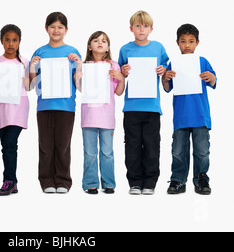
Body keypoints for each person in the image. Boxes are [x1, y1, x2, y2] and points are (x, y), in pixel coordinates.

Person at [29, 12, 81, 194]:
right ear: (46, 29)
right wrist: (32, 68)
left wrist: (80, 65)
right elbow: (31, 86)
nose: (56, 30)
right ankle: (46, 181)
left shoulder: (72, 53)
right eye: (52, 27)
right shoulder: (39, 52)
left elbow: (80, 85)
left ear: (66, 30)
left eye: (60, 27)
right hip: (44, 106)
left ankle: (63, 181)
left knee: (63, 145)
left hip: (66, 106)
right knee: (45, 145)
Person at [118, 10, 169, 195]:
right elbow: (121, 74)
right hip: (131, 106)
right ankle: (135, 182)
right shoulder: (125, 49)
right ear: (131, 28)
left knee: (151, 145)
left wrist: (163, 70)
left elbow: (166, 70)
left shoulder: (158, 48)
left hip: (152, 107)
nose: (141, 29)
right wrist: (123, 72)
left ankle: (150, 182)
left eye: (145, 26)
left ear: (151, 29)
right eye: (138, 26)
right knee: (131, 145)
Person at [162, 24, 216, 195]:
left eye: (191, 41)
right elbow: (167, 87)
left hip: (200, 116)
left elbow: (213, 82)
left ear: (197, 43)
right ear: (177, 42)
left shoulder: (202, 62)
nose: (187, 45)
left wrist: (211, 77)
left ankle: (201, 178)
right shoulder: (173, 63)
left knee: (202, 151)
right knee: (178, 151)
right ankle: (178, 179)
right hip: (181, 116)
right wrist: (165, 77)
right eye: (183, 41)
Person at [72, 31, 125, 194]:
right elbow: (80, 88)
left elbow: (119, 92)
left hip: (107, 118)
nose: (100, 43)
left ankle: (109, 183)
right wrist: (78, 71)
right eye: (96, 40)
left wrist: (121, 78)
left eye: (104, 41)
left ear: (108, 47)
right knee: (89, 153)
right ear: (90, 46)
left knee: (107, 152)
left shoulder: (113, 66)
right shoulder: (85, 66)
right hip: (88, 117)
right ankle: (90, 183)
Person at [0, 24, 30, 196]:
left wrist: (28, 77)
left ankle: (8, 180)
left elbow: (30, 86)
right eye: (7, 40)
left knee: (10, 144)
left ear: (19, 41)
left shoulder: (24, 62)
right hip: (2, 110)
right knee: (5, 146)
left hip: (18, 109)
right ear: (1, 41)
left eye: (14, 40)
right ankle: (13, 183)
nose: (11, 44)